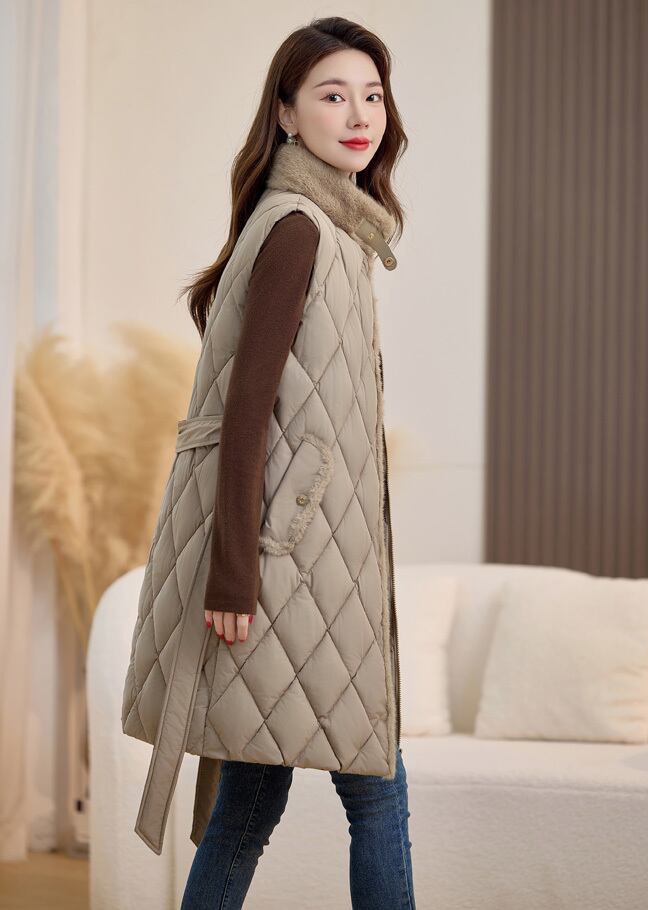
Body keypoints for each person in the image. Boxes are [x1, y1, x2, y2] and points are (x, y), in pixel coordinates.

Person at [175, 16, 414, 909]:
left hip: (319, 570)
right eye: (332, 95)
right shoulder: (300, 230)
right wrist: (233, 576)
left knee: (250, 801)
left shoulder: (339, 230)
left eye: (372, 95)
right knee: (378, 792)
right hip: (289, 572)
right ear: (285, 112)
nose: (359, 116)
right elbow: (246, 416)